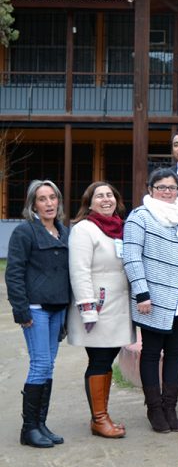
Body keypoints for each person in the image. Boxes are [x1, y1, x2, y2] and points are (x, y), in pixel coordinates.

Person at [123, 169, 178, 434]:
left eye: (172, 187)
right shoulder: (139, 217)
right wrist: (141, 293)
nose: (167, 192)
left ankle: (169, 407)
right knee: (152, 353)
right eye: (161, 187)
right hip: (153, 298)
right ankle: (154, 408)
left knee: (177, 353)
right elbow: (131, 256)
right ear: (151, 189)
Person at [67, 182, 134, 439]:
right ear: (89, 203)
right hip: (97, 307)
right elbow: (79, 271)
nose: (106, 200)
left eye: (110, 195)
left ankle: (102, 415)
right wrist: (87, 309)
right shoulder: (85, 229)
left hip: (118, 306)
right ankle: (99, 419)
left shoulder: (120, 227)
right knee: (99, 360)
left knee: (107, 359)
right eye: (99, 196)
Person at [6, 180, 70, 448]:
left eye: (52, 198)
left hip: (58, 309)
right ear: (33, 204)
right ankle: (28, 428)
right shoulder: (25, 232)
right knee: (40, 364)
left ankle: (41, 423)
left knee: (49, 366)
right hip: (35, 309)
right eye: (42, 199)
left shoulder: (64, 232)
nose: (49, 203)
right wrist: (20, 310)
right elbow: (14, 273)